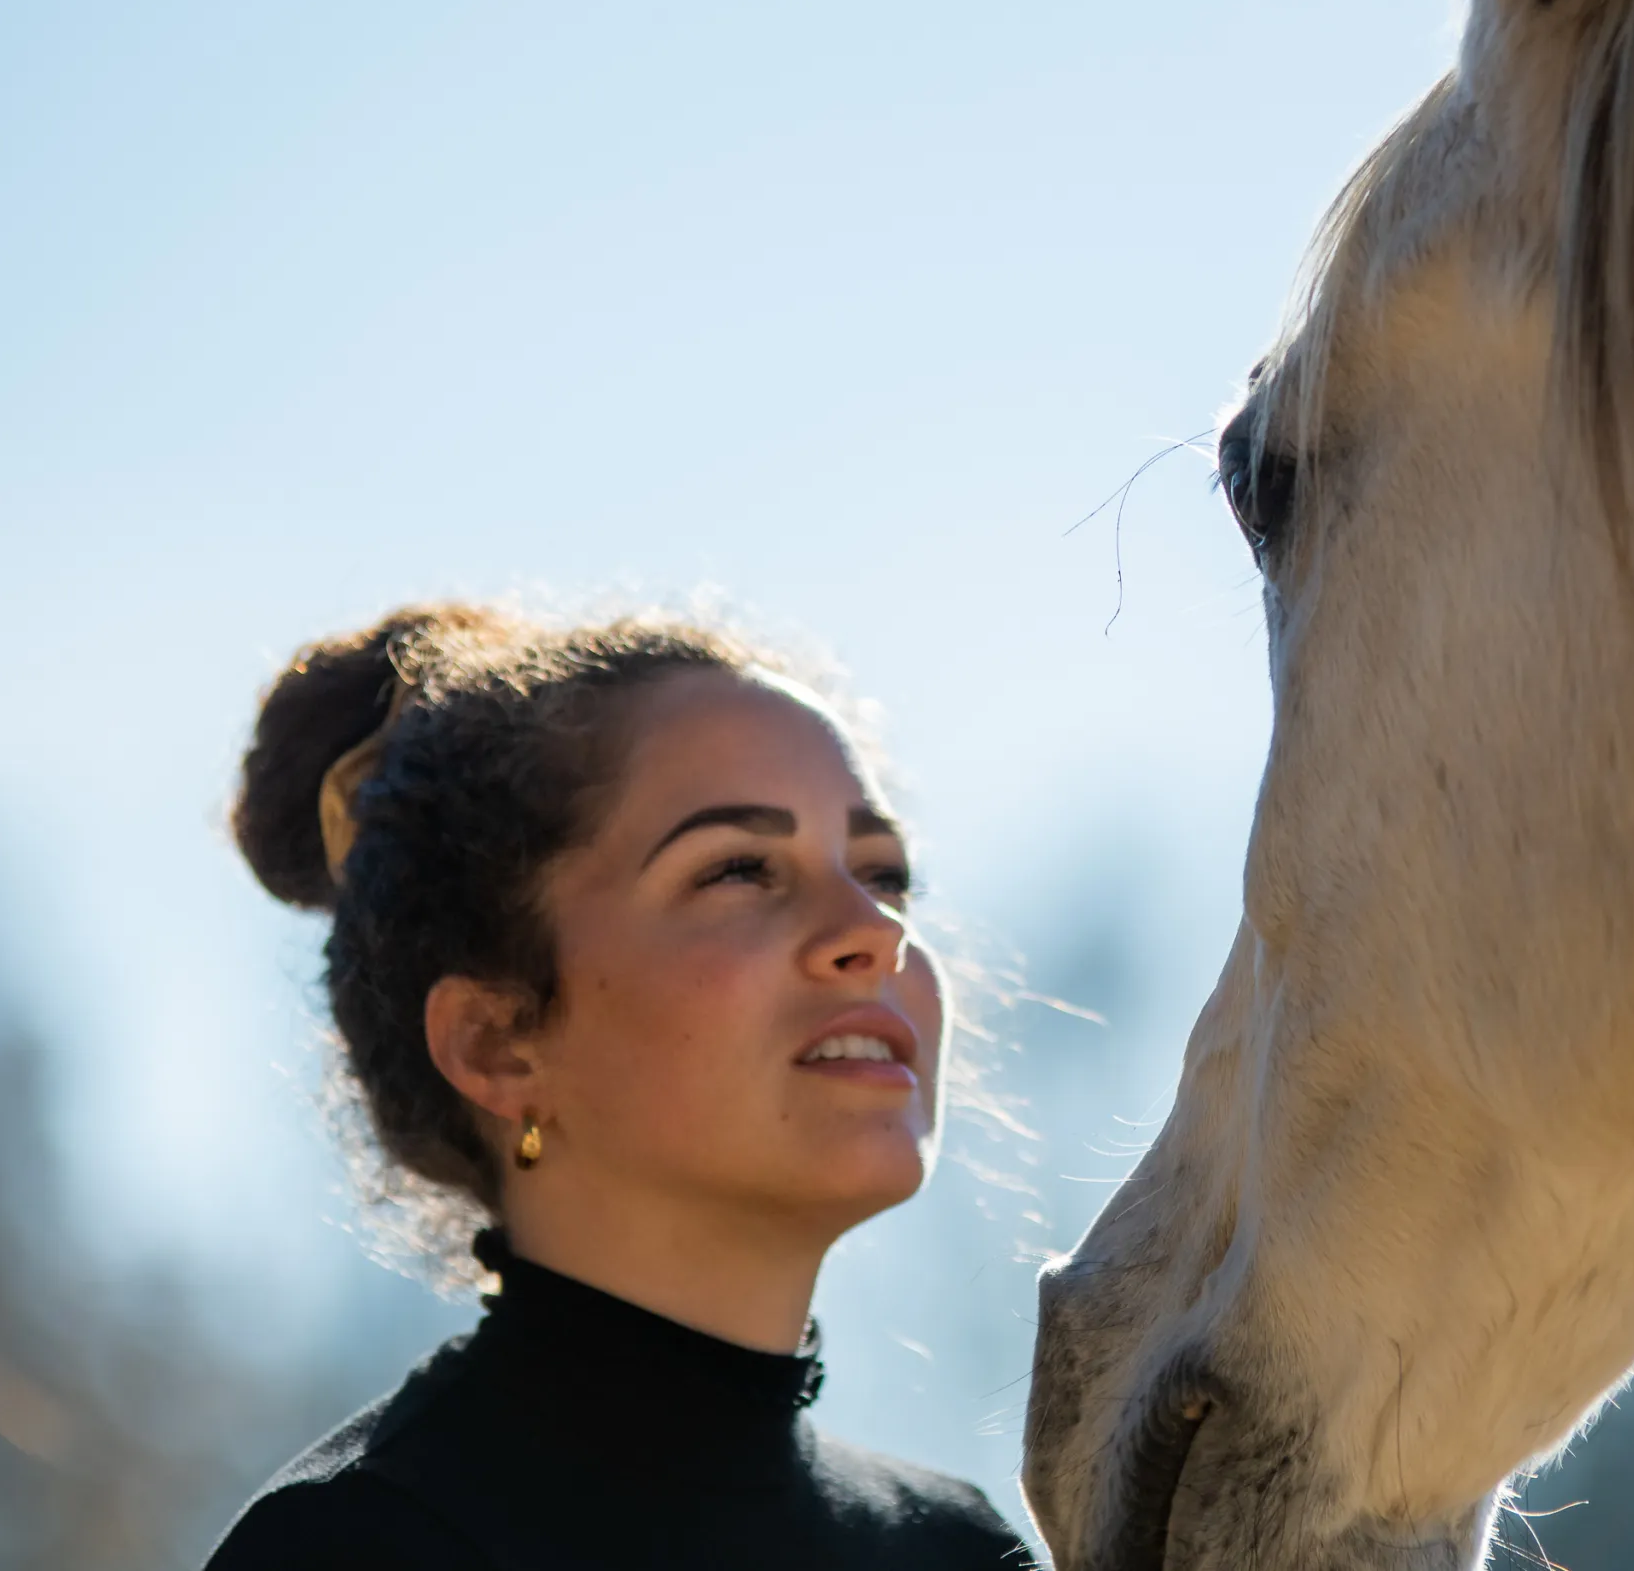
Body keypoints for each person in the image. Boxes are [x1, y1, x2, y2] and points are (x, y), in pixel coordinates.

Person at [205, 604, 1034, 1570]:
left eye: (884, 875)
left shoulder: (964, 1551)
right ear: (497, 1043)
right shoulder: (359, 1546)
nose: (877, 931)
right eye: (739, 869)